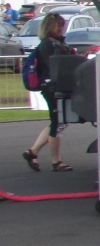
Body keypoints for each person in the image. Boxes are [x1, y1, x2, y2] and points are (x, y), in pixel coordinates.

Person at [23, 11, 74, 172]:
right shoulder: (48, 45)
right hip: (51, 87)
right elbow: (54, 66)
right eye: (58, 26)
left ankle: (33, 152)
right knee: (57, 122)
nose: (61, 29)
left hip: (58, 86)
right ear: (50, 26)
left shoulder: (57, 43)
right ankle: (55, 160)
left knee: (58, 122)